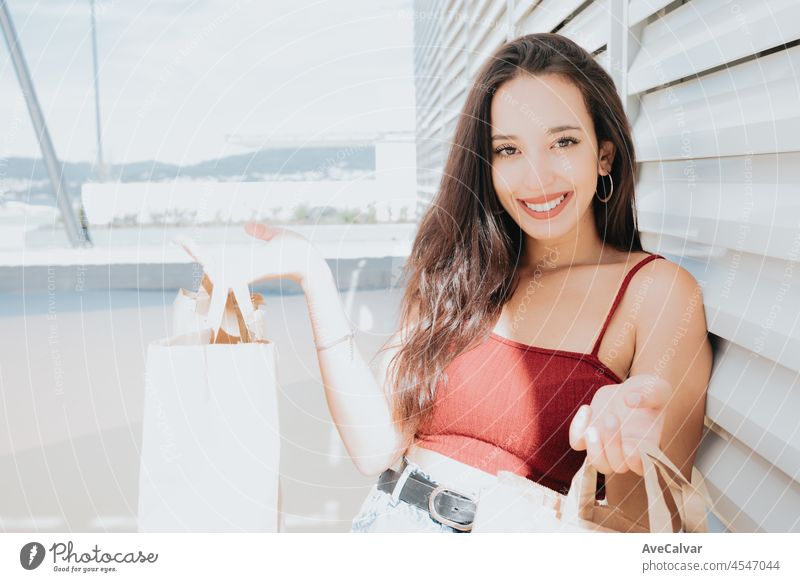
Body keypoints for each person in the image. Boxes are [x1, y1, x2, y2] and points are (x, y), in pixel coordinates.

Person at [243, 32, 712, 533]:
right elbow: (374, 446)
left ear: (604, 155)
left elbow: (640, 530)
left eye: (563, 142)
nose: (537, 177)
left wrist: (627, 447)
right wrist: (312, 276)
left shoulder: (656, 293)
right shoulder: (459, 273)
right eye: (508, 150)